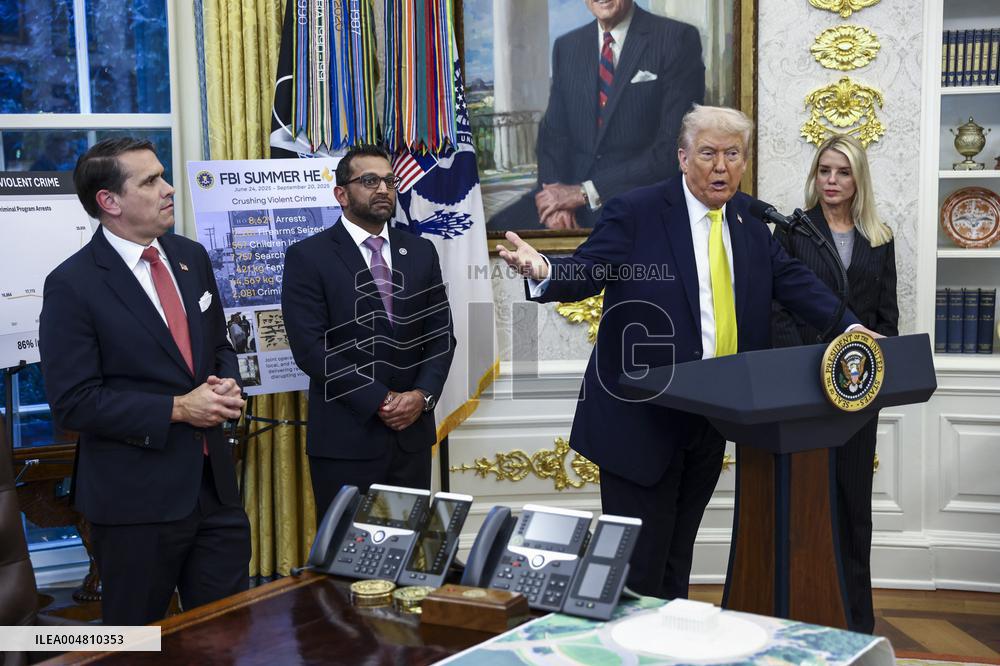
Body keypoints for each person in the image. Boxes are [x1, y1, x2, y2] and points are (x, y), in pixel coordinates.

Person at [497, 105, 883, 600]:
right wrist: (546, 271)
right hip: (640, 420)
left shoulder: (749, 219)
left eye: (732, 154)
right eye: (708, 153)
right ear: (683, 158)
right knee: (634, 571)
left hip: (709, 418)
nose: (721, 166)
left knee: (677, 560)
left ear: (744, 161)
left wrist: (850, 328)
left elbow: (794, 282)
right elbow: (590, 270)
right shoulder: (637, 211)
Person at [39, 137, 250, 625]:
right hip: (136, 502)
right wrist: (178, 408)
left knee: (228, 635)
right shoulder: (73, 284)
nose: (169, 189)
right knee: (135, 643)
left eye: (163, 175)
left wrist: (226, 384)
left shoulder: (190, 257)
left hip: (216, 491)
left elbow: (219, 345)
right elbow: (75, 402)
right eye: (151, 181)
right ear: (109, 202)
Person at [282, 144, 455, 520]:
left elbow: (441, 336)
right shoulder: (308, 256)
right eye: (370, 181)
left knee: (406, 555)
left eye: (390, 181)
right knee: (348, 562)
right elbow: (311, 348)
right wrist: (381, 400)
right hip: (346, 440)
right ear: (341, 194)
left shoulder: (421, 252)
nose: (383, 190)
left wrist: (422, 396)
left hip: (410, 439)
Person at [771, 133, 898, 633]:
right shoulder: (794, 233)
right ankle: (801, 613)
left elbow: (886, 319)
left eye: (842, 172)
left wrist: (869, 373)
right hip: (803, 393)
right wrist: (796, 368)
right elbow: (777, 310)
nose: (832, 181)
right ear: (814, 175)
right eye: (824, 171)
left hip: (857, 395)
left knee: (852, 509)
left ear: (858, 178)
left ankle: (856, 623)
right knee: (804, 505)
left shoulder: (880, 237)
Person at [489, 0, 704, 231]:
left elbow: (670, 150)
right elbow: (553, 136)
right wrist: (554, 198)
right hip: (567, 192)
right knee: (494, 231)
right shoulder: (567, 46)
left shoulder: (677, 39)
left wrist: (585, 192)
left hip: (636, 195)